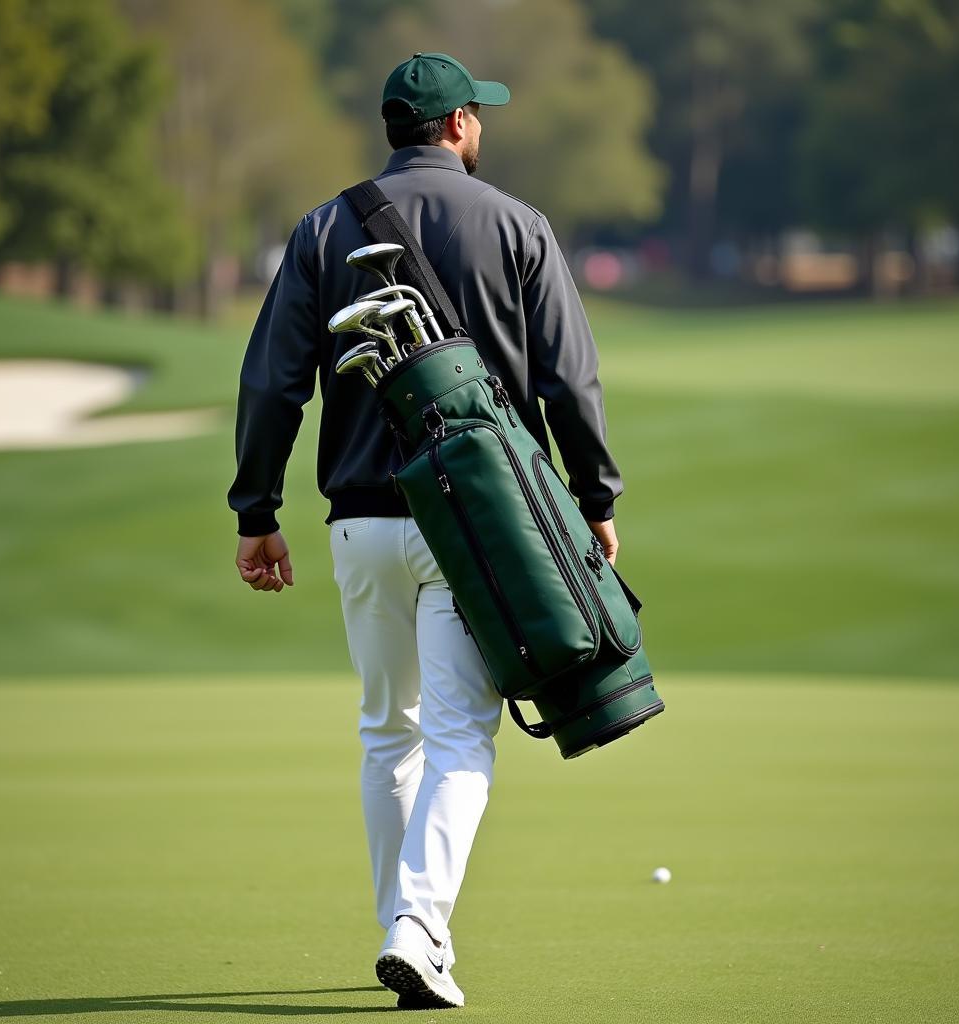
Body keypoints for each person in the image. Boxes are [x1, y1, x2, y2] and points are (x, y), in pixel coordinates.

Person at [228, 52, 623, 1010]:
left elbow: (272, 382)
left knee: (385, 733)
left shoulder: (325, 228)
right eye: (475, 116)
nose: (480, 127)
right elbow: (569, 381)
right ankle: (418, 927)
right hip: (478, 529)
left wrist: (257, 513)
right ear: (455, 128)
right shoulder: (520, 225)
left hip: (360, 521)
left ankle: (408, 931)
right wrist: (596, 499)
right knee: (458, 739)